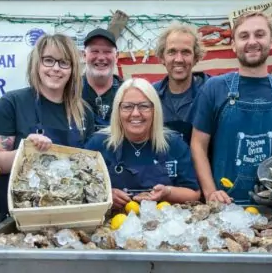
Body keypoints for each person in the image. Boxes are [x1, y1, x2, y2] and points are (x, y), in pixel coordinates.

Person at [190, 11, 272, 206]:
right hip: (225, 206)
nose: (252, 42)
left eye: (260, 34)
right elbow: (197, 145)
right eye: (244, 36)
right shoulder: (215, 88)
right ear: (233, 44)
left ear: (271, 41)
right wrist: (211, 192)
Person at [0, 33, 94, 221]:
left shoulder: (83, 112)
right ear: (36, 64)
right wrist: (25, 150)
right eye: (48, 60)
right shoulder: (12, 102)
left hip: (68, 210)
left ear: (72, 69)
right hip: (19, 212)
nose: (56, 68)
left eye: (64, 63)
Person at [85, 78, 200, 209]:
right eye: (127, 107)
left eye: (144, 106)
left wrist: (167, 192)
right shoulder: (98, 144)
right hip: (112, 225)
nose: (135, 114)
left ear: (154, 110)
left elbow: (194, 193)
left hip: (162, 223)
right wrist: (106, 195)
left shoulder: (174, 144)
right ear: (117, 111)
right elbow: (83, 188)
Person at [153, 23, 209, 145]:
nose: (178, 59)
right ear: (162, 57)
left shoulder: (211, 92)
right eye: (172, 52)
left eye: (186, 52)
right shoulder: (150, 96)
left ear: (196, 58)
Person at [82, 28, 123, 131]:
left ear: (116, 56)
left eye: (107, 52)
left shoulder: (127, 92)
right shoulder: (69, 90)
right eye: (95, 51)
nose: (101, 57)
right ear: (84, 56)